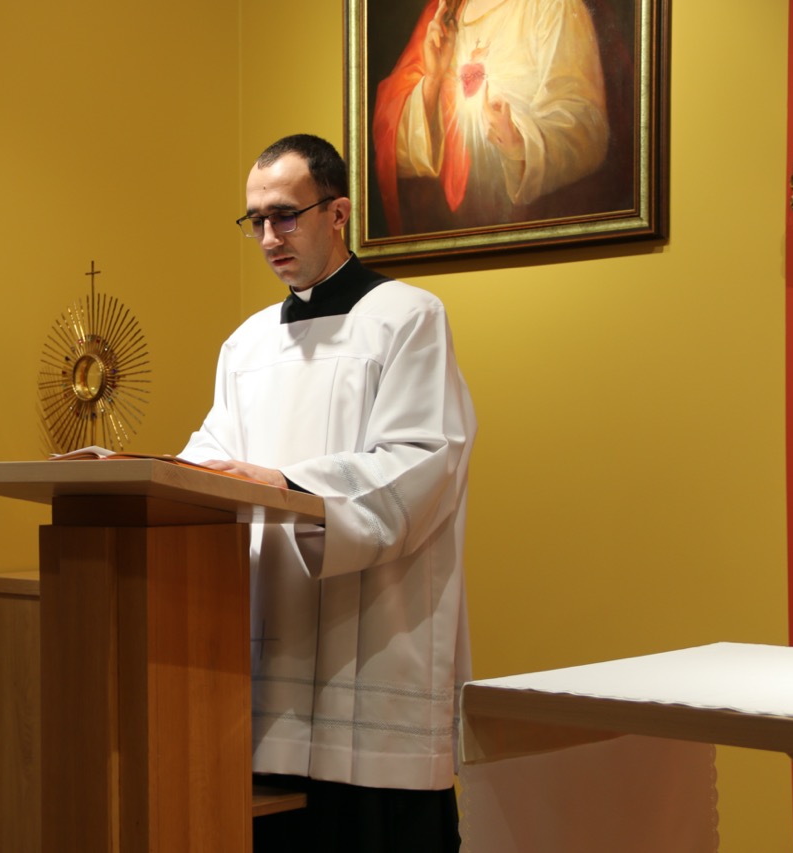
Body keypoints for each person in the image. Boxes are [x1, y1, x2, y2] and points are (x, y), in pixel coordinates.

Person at [178, 134, 475, 852]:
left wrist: (291, 483)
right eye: (255, 220)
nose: (268, 237)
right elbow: (211, 459)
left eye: (285, 215)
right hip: (272, 636)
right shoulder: (246, 345)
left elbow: (423, 458)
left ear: (337, 213)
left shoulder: (407, 317)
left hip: (373, 635)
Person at [372, 0, 610, 235]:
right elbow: (393, 151)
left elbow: (586, 128)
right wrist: (433, 82)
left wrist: (518, 143)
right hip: (458, 231)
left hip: (533, 228)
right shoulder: (444, 13)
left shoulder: (554, 6)